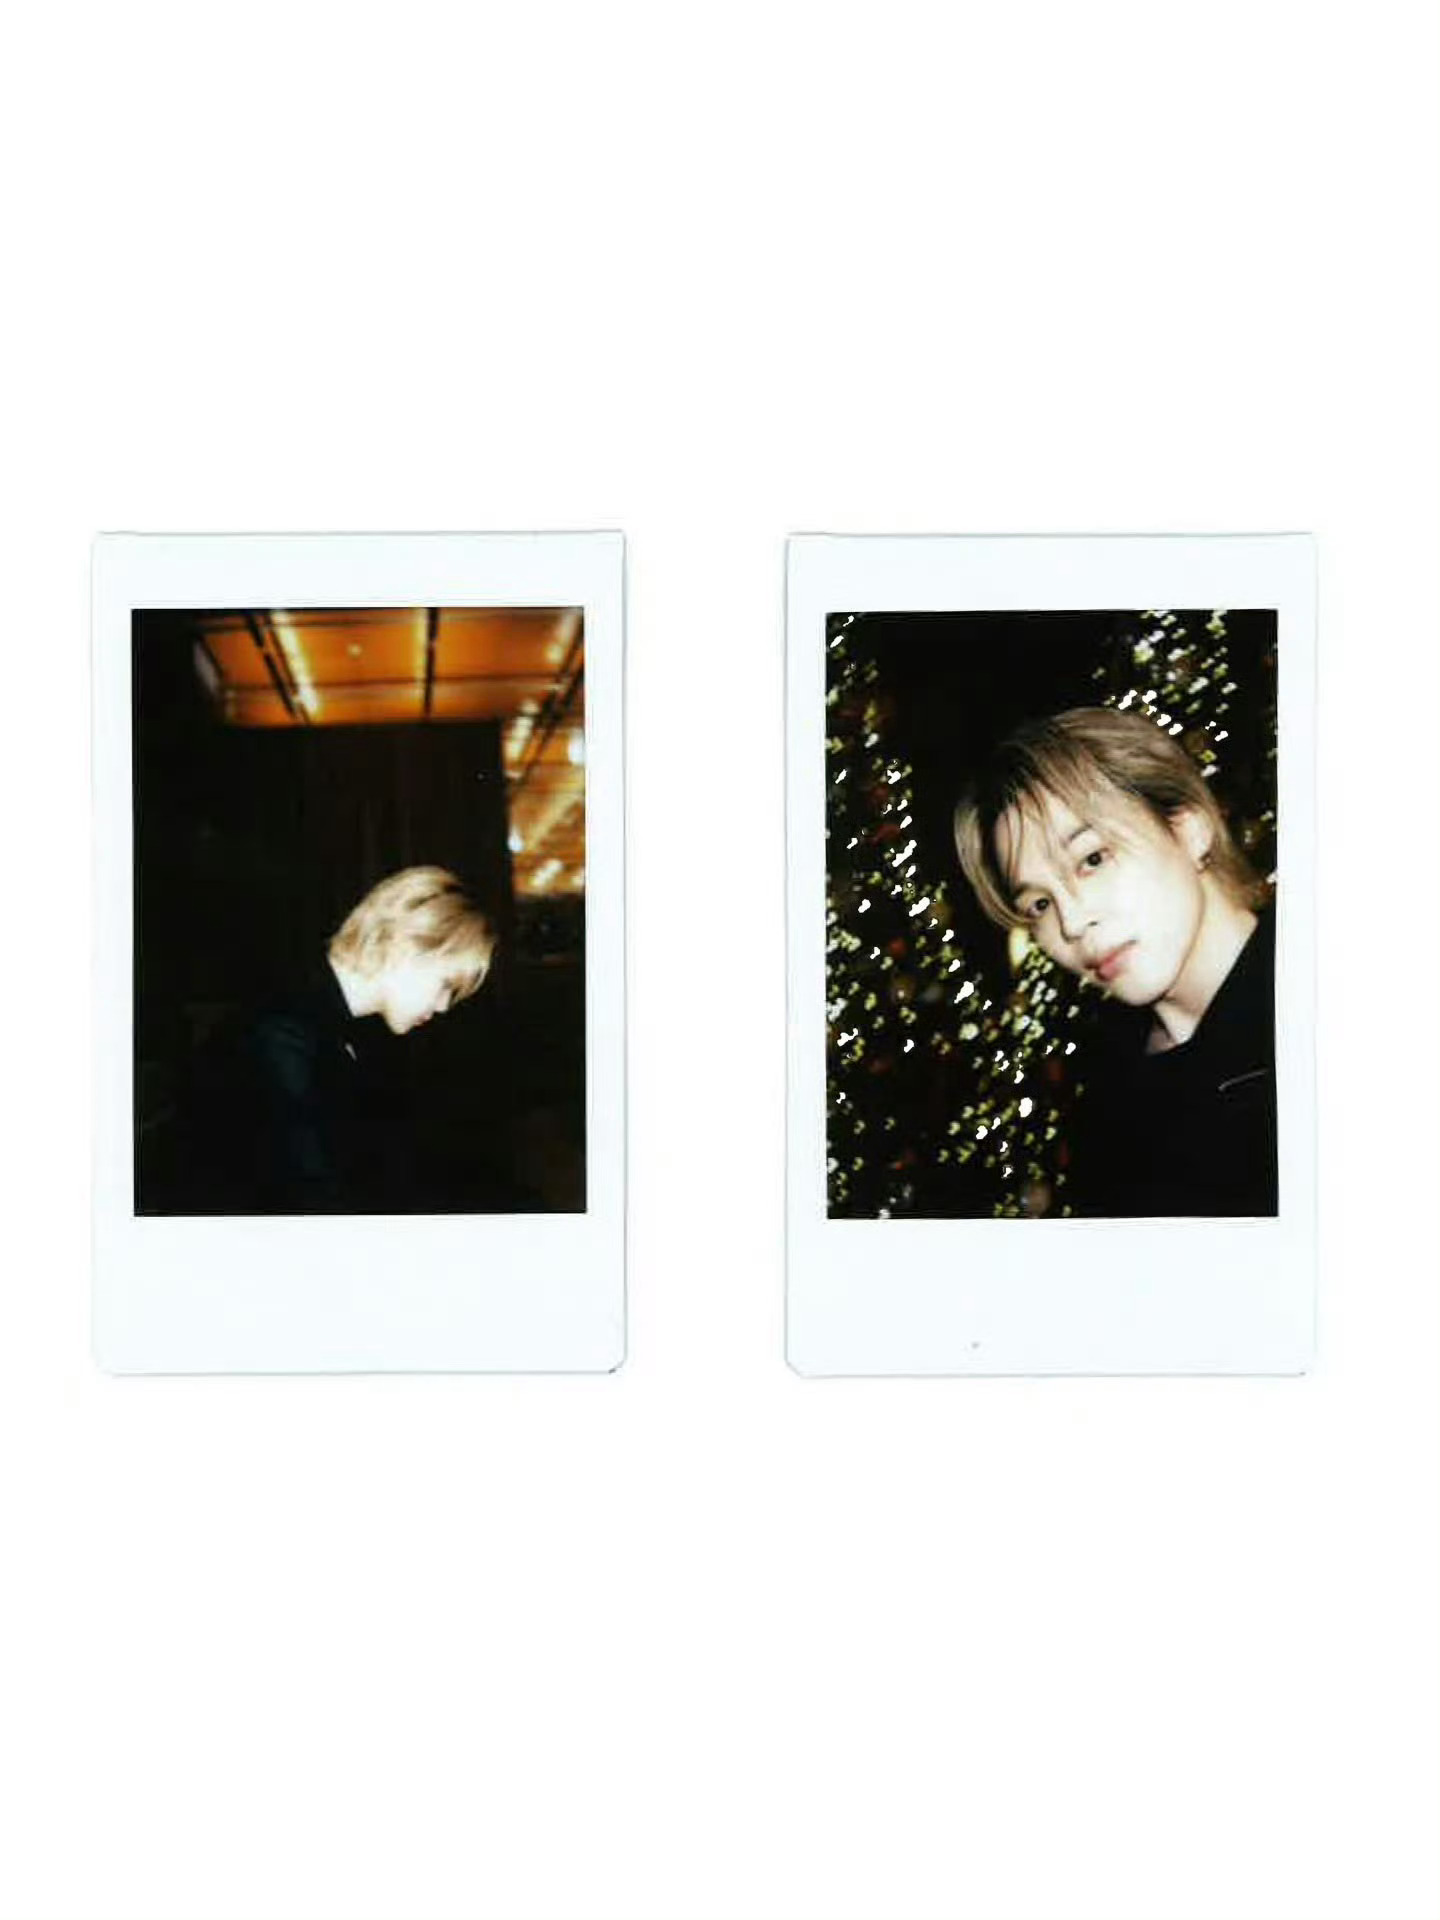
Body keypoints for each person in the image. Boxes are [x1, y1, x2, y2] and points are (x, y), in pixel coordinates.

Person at [953, 707, 1277, 1217]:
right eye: (1040, 904)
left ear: (1188, 829)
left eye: (1092, 859)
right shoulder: (1106, 1099)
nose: (1071, 923)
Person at [170, 866, 496, 1214]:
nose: (444, 1006)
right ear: (403, 946)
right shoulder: (283, 1034)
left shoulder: (344, 1026)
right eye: (446, 985)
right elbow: (312, 1200)